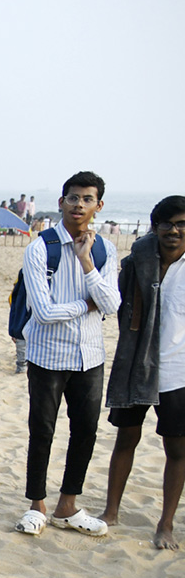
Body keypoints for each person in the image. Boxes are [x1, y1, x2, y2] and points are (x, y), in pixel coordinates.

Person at [13, 172, 120, 537]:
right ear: (61, 202)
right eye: (73, 198)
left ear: (98, 205)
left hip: (90, 356)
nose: (79, 205)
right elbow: (42, 312)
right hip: (47, 356)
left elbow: (113, 303)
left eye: (87, 199)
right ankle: (36, 505)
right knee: (41, 430)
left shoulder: (105, 249)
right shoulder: (40, 247)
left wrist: (87, 262)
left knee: (86, 431)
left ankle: (68, 504)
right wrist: (86, 304)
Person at [102, 196, 185, 549]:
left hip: (179, 372)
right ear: (155, 228)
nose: (174, 230)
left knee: (178, 450)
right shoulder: (138, 261)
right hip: (136, 365)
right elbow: (117, 304)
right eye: (167, 224)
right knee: (126, 439)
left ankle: (165, 524)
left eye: (182, 224)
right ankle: (110, 512)